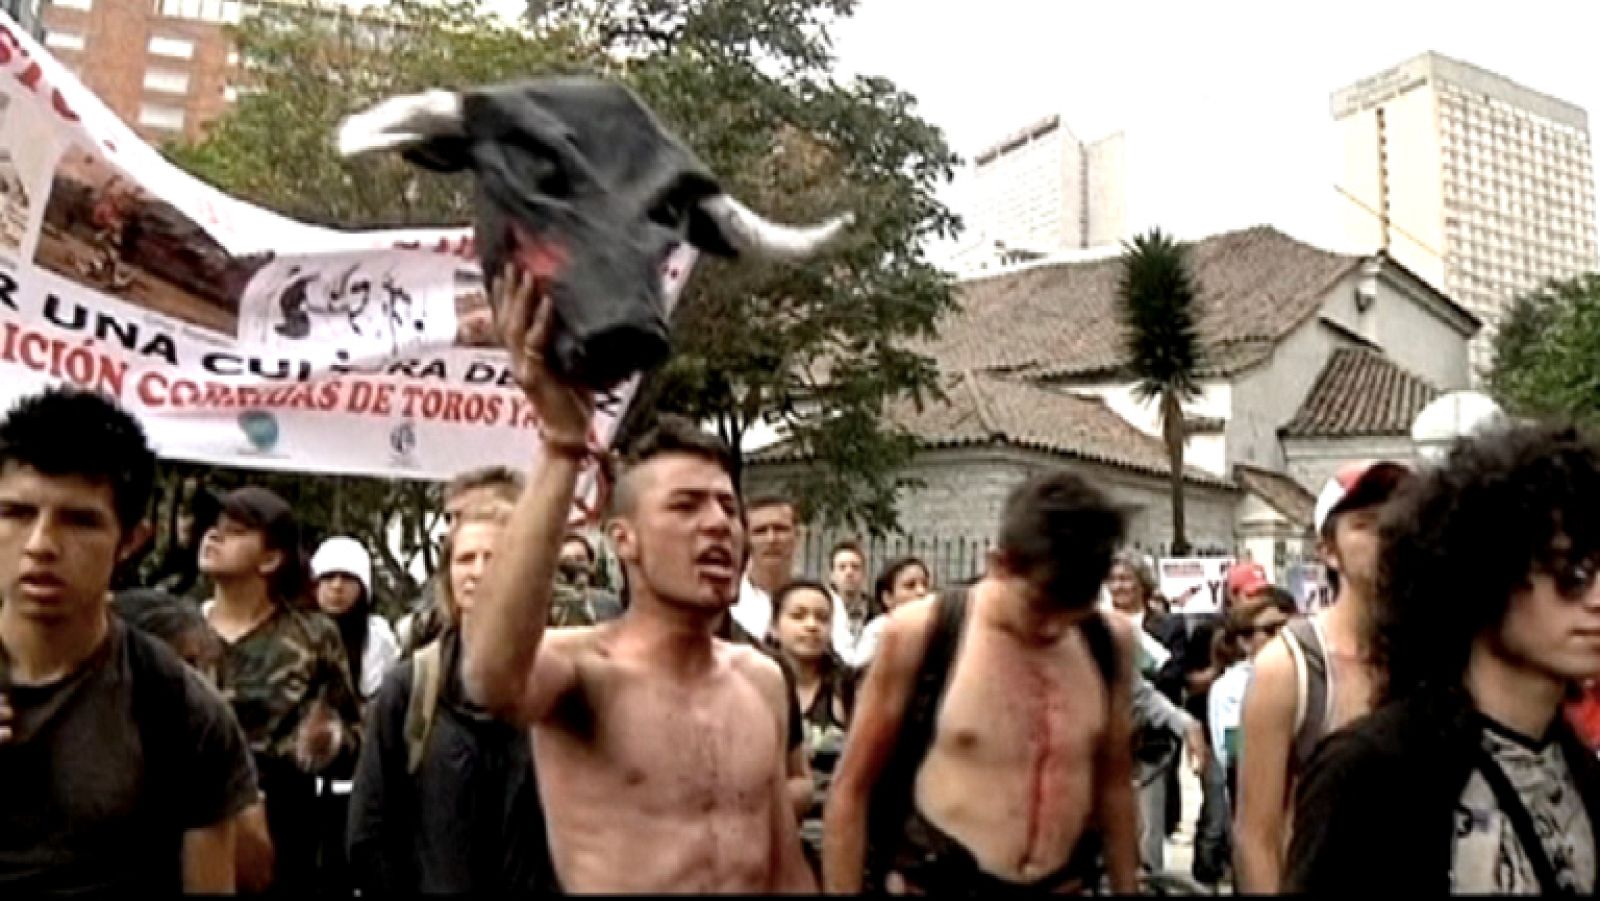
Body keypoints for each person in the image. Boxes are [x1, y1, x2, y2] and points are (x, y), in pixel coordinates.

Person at [460, 266, 813, 892]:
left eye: (727, 507)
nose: (718, 525)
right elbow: (490, 675)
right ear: (623, 539)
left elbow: (783, 863)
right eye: (685, 506)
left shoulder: (761, 680)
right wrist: (563, 447)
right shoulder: (580, 672)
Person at [1287, 424, 1600, 893]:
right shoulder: (1374, 773)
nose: (1596, 598)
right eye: (1571, 572)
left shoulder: (1581, 771)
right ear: (1485, 571)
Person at [823, 470, 1139, 895]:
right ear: (999, 565)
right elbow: (851, 789)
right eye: (1039, 606)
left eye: (1071, 613)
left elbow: (1116, 786)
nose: (1052, 627)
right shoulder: (922, 634)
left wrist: (1127, 886)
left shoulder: (1108, 643)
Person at [0, 387, 258, 893]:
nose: (41, 545)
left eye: (80, 521)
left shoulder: (178, 709)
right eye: (16, 513)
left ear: (131, 541)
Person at [347, 498, 552, 894]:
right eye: (465, 559)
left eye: (493, 557)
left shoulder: (558, 684)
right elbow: (367, 831)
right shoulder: (411, 687)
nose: (478, 571)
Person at [1233, 460, 1412, 893]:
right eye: (1365, 525)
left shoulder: (1436, 656)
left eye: (1399, 520)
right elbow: (1256, 836)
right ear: (1328, 551)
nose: (1387, 536)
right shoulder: (1289, 667)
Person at [201, 485, 365, 893]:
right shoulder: (175, 630)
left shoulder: (314, 635)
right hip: (190, 821)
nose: (214, 536)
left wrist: (328, 742)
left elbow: (356, 736)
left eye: (236, 531)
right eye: (215, 527)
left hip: (285, 829)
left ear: (271, 558)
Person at [113, 587, 276, 892]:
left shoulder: (209, 737)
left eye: (200, 667)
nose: (195, 683)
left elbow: (253, 871)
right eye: (183, 665)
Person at [1106, 551, 1206, 875]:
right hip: (1097, 752)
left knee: (1148, 836)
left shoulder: (1161, 626)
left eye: (1126, 579)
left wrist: (1186, 725)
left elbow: (1152, 688)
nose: (1119, 586)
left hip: (1148, 743)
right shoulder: (1092, 627)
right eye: (1113, 579)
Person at [771, 579, 857, 873]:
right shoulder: (753, 684)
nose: (811, 625)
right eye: (798, 615)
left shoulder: (849, 689)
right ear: (774, 626)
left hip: (833, 843)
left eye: (822, 618)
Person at [396, 466, 524, 654]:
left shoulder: (563, 627)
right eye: (452, 518)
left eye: (477, 513)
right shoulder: (424, 631)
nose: (457, 527)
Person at [730, 494, 856, 658]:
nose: (771, 539)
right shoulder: (729, 602)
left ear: (797, 535)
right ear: (745, 539)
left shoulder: (826, 602)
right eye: (760, 531)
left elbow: (845, 660)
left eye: (780, 529)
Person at [1208, 588, 1297, 802]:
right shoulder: (1229, 688)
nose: (1281, 637)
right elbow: (1232, 751)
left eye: (1287, 628)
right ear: (1245, 642)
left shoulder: (1305, 674)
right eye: (1270, 630)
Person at [311, 536, 400, 701]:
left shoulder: (378, 640)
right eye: (329, 577)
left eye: (347, 578)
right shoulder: (289, 635)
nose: (337, 586)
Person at [851, 556, 930, 669]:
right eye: (910, 585)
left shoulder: (937, 628)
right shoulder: (878, 630)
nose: (921, 592)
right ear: (888, 598)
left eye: (925, 585)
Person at [551, 532, 624, 626]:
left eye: (579, 559)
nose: (573, 566)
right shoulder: (546, 609)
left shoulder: (609, 603)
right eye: (566, 560)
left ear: (591, 565)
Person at [829, 540, 871, 647]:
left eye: (855, 567)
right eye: (842, 567)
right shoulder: (824, 610)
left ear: (864, 574)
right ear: (832, 575)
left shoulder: (878, 613)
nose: (849, 573)